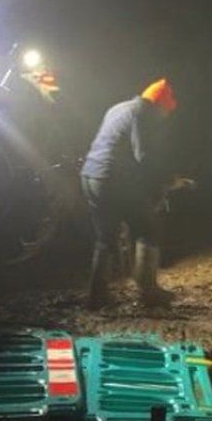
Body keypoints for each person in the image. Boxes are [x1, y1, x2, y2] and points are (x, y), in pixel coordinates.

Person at [80, 78, 178, 308]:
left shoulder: (119, 108)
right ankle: (148, 291)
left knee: (106, 237)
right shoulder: (143, 114)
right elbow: (144, 156)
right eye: (166, 112)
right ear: (159, 105)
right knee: (148, 229)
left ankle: (96, 296)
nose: (164, 118)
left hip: (90, 177)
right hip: (112, 181)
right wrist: (165, 180)